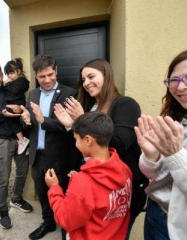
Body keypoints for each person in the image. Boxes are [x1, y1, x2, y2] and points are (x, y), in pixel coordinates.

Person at [53, 58, 149, 235]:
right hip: (89, 187)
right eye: (83, 80)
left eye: (91, 76)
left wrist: (81, 119)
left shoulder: (125, 104)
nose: (87, 83)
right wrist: (71, 126)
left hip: (115, 191)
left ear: (106, 75)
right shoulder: (88, 105)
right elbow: (82, 144)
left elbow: (120, 143)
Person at [135, 47, 187, 240]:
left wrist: (176, 156)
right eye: (174, 80)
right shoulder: (178, 120)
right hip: (156, 214)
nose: (181, 87)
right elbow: (155, 176)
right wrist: (151, 156)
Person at [45, 112, 132, 240]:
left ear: (87, 140)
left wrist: (54, 188)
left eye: (76, 139)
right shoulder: (124, 169)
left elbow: (66, 219)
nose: (75, 144)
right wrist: (80, 185)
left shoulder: (84, 182)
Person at [20, 55, 78, 240]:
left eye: (50, 75)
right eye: (42, 76)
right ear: (36, 76)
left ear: (56, 71)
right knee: (42, 192)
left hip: (60, 156)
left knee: (63, 192)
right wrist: (27, 122)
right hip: (37, 154)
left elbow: (67, 126)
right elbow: (30, 127)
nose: (46, 80)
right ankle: (48, 221)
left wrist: (43, 120)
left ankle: (66, 228)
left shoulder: (70, 93)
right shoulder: (33, 94)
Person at [0, 63, 33, 230]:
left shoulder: (10, 88)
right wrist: (1, 115)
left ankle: (16, 199)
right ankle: (3, 210)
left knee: (22, 172)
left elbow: (22, 103)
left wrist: (20, 109)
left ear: (2, 75)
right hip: (2, 140)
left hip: (21, 139)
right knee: (3, 178)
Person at [4, 58, 30, 154]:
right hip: (13, 104)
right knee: (17, 123)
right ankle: (25, 143)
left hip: (18, 104)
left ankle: (22, 141)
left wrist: (7, 83)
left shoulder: (22, 81)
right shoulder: (16, 81)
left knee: (13, 121)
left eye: (11, 73)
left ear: (18, 71)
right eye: (8, 74)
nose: (9, 76)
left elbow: (14, 91)